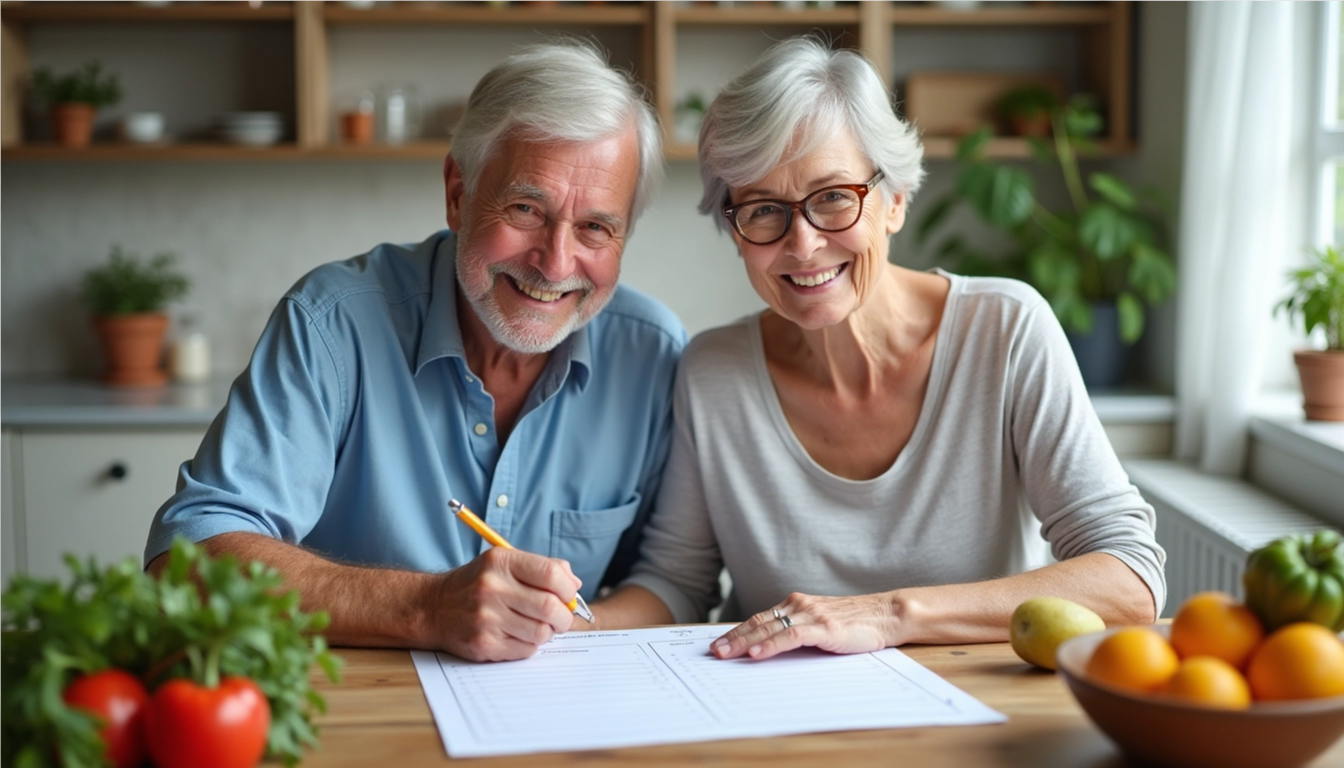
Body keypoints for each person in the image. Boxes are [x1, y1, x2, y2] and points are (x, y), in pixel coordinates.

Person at [590, 37, 1165, 659]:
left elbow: (1129, 579)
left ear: (894, 200)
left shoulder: (1006, 330)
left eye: (834, 197)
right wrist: (559, 628)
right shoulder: (713, 371)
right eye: (762, 209)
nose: (803, 245)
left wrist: (890, 615)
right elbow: (677, 584)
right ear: (734, 231)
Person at [144, 41, 686, 662]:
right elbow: (188, 560)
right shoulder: (333, 322)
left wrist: (556, 632)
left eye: (595, 227)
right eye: (525, 209)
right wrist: (425, 607)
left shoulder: (654, 354)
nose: (556, 263)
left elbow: (672, 580)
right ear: (459, 192)